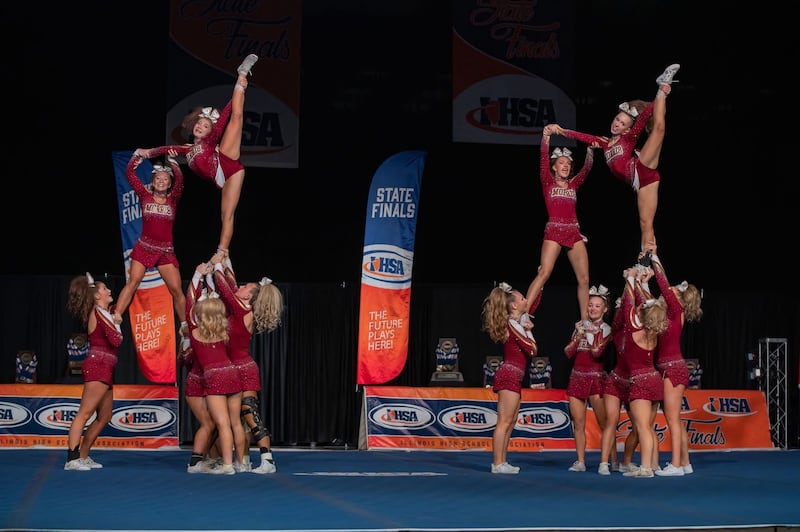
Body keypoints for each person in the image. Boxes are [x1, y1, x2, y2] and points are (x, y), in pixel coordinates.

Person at [548, 63, 680, 255]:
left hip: (641, 166)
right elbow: (584, 136)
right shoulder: (603, 142)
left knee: (659, 129)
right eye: (617, 120)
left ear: (627, 129)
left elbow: (643, 118)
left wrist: (658, 98)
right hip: (641, 183)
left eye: (622, 123)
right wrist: (561, 130)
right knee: (645, 223)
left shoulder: (628, 138)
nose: (616, 124)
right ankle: (647, 261)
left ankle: (663, 86)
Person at [139, 54, 259, 258]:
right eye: (199, 124)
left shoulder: (210, 140)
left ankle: (241, 75)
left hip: (225, 159)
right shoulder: (187, 149)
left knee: (236, 119)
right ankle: (222, 252)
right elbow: (166, 148)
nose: (200, 126)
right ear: (192, 124)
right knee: (226, 215)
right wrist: (147, 152)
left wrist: (238, 91)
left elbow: (224, 119)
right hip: (223, 177)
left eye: (205, 126)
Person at [210, 253, 284, 474]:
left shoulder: (242, 309)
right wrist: (224, 261)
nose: (239, 286)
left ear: (248, 296)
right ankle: (242, 460)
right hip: (234, 368)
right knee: (238, 418)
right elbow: (230, 284)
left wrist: (216, 267)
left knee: (251, 415)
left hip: (244, 369)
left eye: (244, 286)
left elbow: (225, 288)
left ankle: (268, 460)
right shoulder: (239, 306)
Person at [525, 124, 597, 324]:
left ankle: (585, 322)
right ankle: (524, 314)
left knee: (584, 279)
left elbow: (587, 168)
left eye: (568, 163)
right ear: (554, 166)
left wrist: (590, 148)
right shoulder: (547, 181)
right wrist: (546, 137)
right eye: (561, 163)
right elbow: (542, 159)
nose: (565, 166)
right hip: (554, 231)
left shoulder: (574, 184)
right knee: (544, 272)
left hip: (574, 232)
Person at [113, 150, 186, 335]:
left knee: (176, 290)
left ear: (169, 184)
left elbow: (181, 181)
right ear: (153, 182)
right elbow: (130, 174)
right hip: (144, 246)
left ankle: (185, 326)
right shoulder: (144, 195)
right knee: (133, 282)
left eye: (165, 179)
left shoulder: (173, 199)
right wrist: (137, 158)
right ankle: (116, 318)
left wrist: (173, 162)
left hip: (165, 251)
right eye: (158, 179)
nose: (161, 181)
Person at [184, 262, 248, 475]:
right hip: (232, 373)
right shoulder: (224, 326)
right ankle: (240, 463)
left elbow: (189, 302)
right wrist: (211, 279)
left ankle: (228, 465)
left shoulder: (194, 330)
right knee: (234, 423)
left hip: (215, 377)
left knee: (222, 424)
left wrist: (197, 275)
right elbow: (216, 302)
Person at [650, 251, 703, 476]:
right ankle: (686, 462)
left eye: (671, 292)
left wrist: (654, 258)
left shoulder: (675, 309)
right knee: (676, 418)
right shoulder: (670, 313)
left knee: (671, 418)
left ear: (677, 298)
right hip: (672, 367)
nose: (666, 292)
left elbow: (662, 283)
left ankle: (676, 465)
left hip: (672, 368)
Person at [64, 272, 123, 471]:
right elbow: (116, 340)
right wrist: (118, 322)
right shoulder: (98, 312)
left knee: (105, 416)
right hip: (98, 366)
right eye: (104, 288)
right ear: (97, 296)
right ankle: (72, 459)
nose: (108, 290)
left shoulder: (105, 312)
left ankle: (83, 455)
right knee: (85, 412)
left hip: (106, 367)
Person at [481, 281, 542, 474]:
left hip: (514, 376)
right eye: (522, 298)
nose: (526, 300)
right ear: (514, 305)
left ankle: (502, 461)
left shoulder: (517, 322)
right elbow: (532, 350)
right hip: (508, 375)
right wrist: (529, 328)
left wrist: (541, 279)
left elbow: (534, 301)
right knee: (504, 421)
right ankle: (497, 463)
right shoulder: (512, 324)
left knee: (511, 421)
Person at [563, 284, 618, 472]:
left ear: (605, 309)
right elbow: (568, 352)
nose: (592, 308)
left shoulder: (606, 329)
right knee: (578, 423)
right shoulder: (580, 326)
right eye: (590, 305)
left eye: (597, 305)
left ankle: (613, 460)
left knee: (605, 423)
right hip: (577, 377)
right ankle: (580, 461)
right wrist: (579, 334)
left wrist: (588, 332)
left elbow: (596, 352)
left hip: (596, 378)